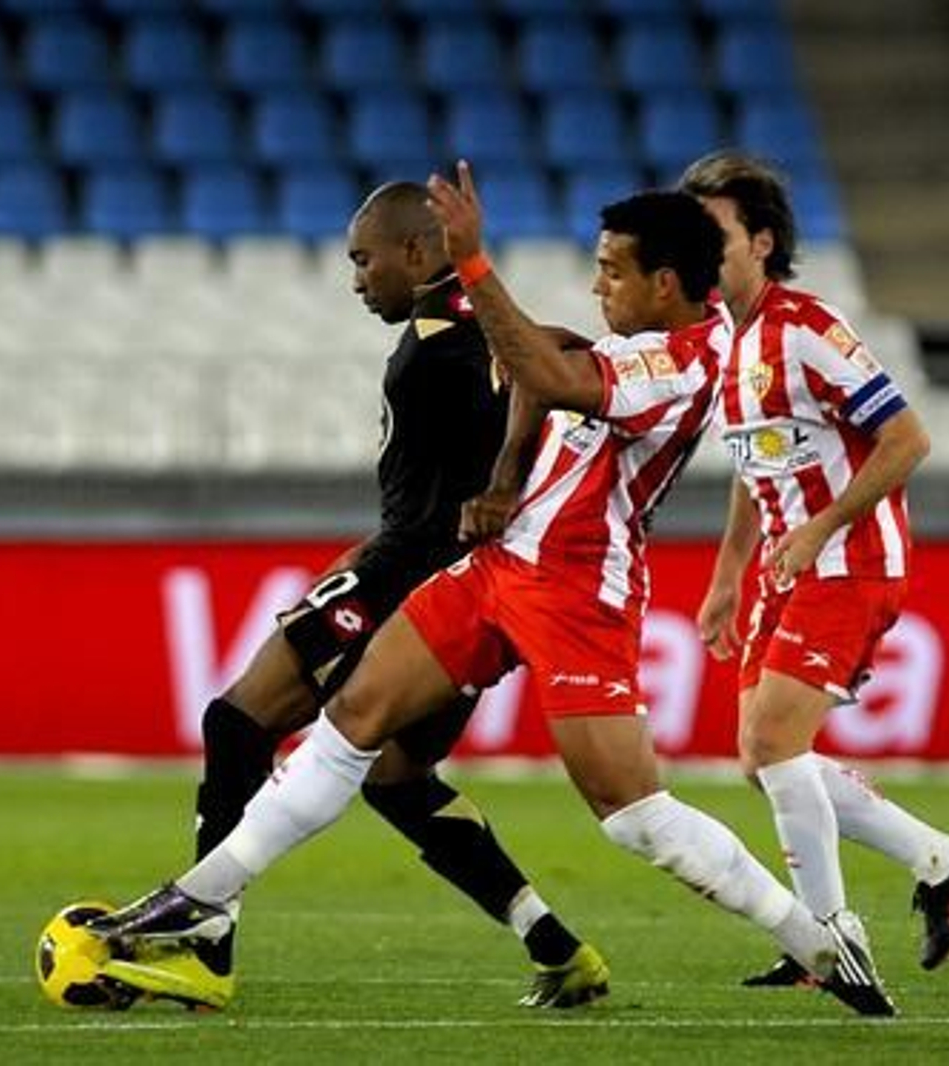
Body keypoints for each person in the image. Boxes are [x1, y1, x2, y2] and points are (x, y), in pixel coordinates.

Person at [90, 163, 897, 1018]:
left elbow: (553, 378)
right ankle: (202, 899)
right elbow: (540, 366)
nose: (597, 284)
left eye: (612, 270)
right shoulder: (631, 342)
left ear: (666, 284)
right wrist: (508, 472)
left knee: (634, 818)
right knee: (353, 722)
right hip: (498, 567)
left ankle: (816, 940)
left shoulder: (688, 363)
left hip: (578, 592)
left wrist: (474, 265)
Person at [102, 182, 606, 1011]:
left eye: (364, 259)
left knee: (237, 721)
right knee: (397, 778)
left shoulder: (447, 346)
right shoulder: (499, 339)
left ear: (418, 252)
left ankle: (205, 941)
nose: (357, 278)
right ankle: (557, 947)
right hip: (471, 590)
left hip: (412, 576)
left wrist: (392, 556)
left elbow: (447, 491)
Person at [679, 151, 949, 989]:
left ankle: (827, 938)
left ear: (762, 241)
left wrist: (823, 525)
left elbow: (908, 440)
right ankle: (940, 860)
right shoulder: (727, 340)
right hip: (790, 569)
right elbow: (759, 464)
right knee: (760, 759)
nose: (698, 247)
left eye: (714, 232)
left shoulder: (808, 330)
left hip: (850, 561)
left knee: (775, 742)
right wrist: (726, 577)